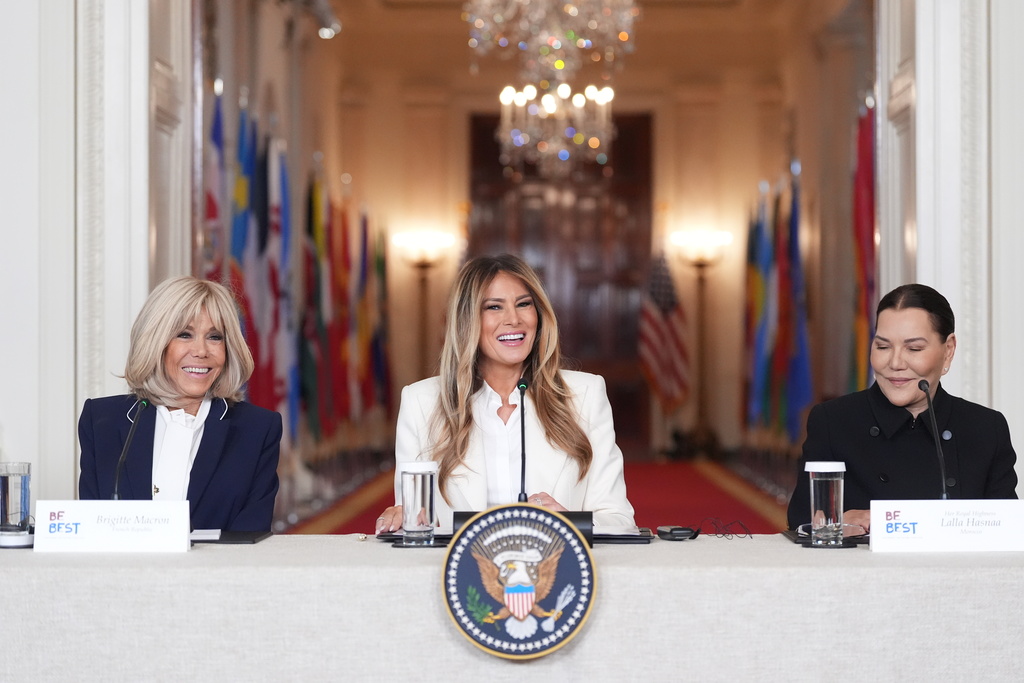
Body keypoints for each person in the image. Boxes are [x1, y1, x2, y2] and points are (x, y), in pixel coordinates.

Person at [375, 254, 635, 533]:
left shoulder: (585, 394)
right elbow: (415, 521)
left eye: (524, 304)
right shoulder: (420, 402)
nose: (513, 319)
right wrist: (402, 519)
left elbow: (619, 521)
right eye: (494, 307)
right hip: (462, 574)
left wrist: (569, 522)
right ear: (467, 320)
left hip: (558, 569)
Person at [787, 284, 1018, 532]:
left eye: (914, 348)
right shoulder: (833, 421)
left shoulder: (985, 428)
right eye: (883, 346)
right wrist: (837, 522)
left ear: (948, 350)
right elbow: (802, 522)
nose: (895, 363)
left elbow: (1008, 529)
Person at [78, 276, 281, 532]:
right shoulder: (101, 421)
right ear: (156, 342)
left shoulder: (257, 429)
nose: (201, 351)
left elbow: (250, 535)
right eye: (185, 335)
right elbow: (91, 529)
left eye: (215, 337)